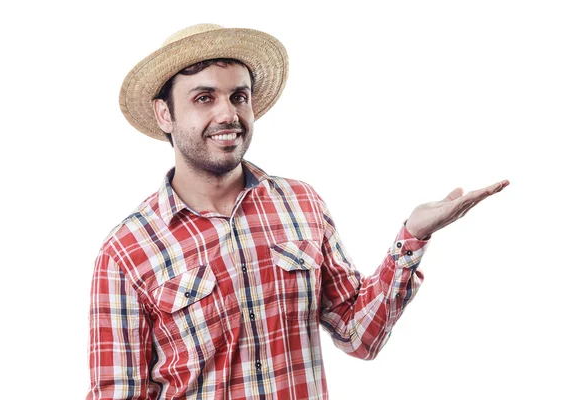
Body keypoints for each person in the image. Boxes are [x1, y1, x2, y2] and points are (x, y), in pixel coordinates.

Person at [87, 23, 509, 399]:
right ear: (166, 114)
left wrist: (412, 237)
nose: (228, 113)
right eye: (204, 98)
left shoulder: (301, 204)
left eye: (239, 96)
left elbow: (359, 336)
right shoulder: (126, 252)